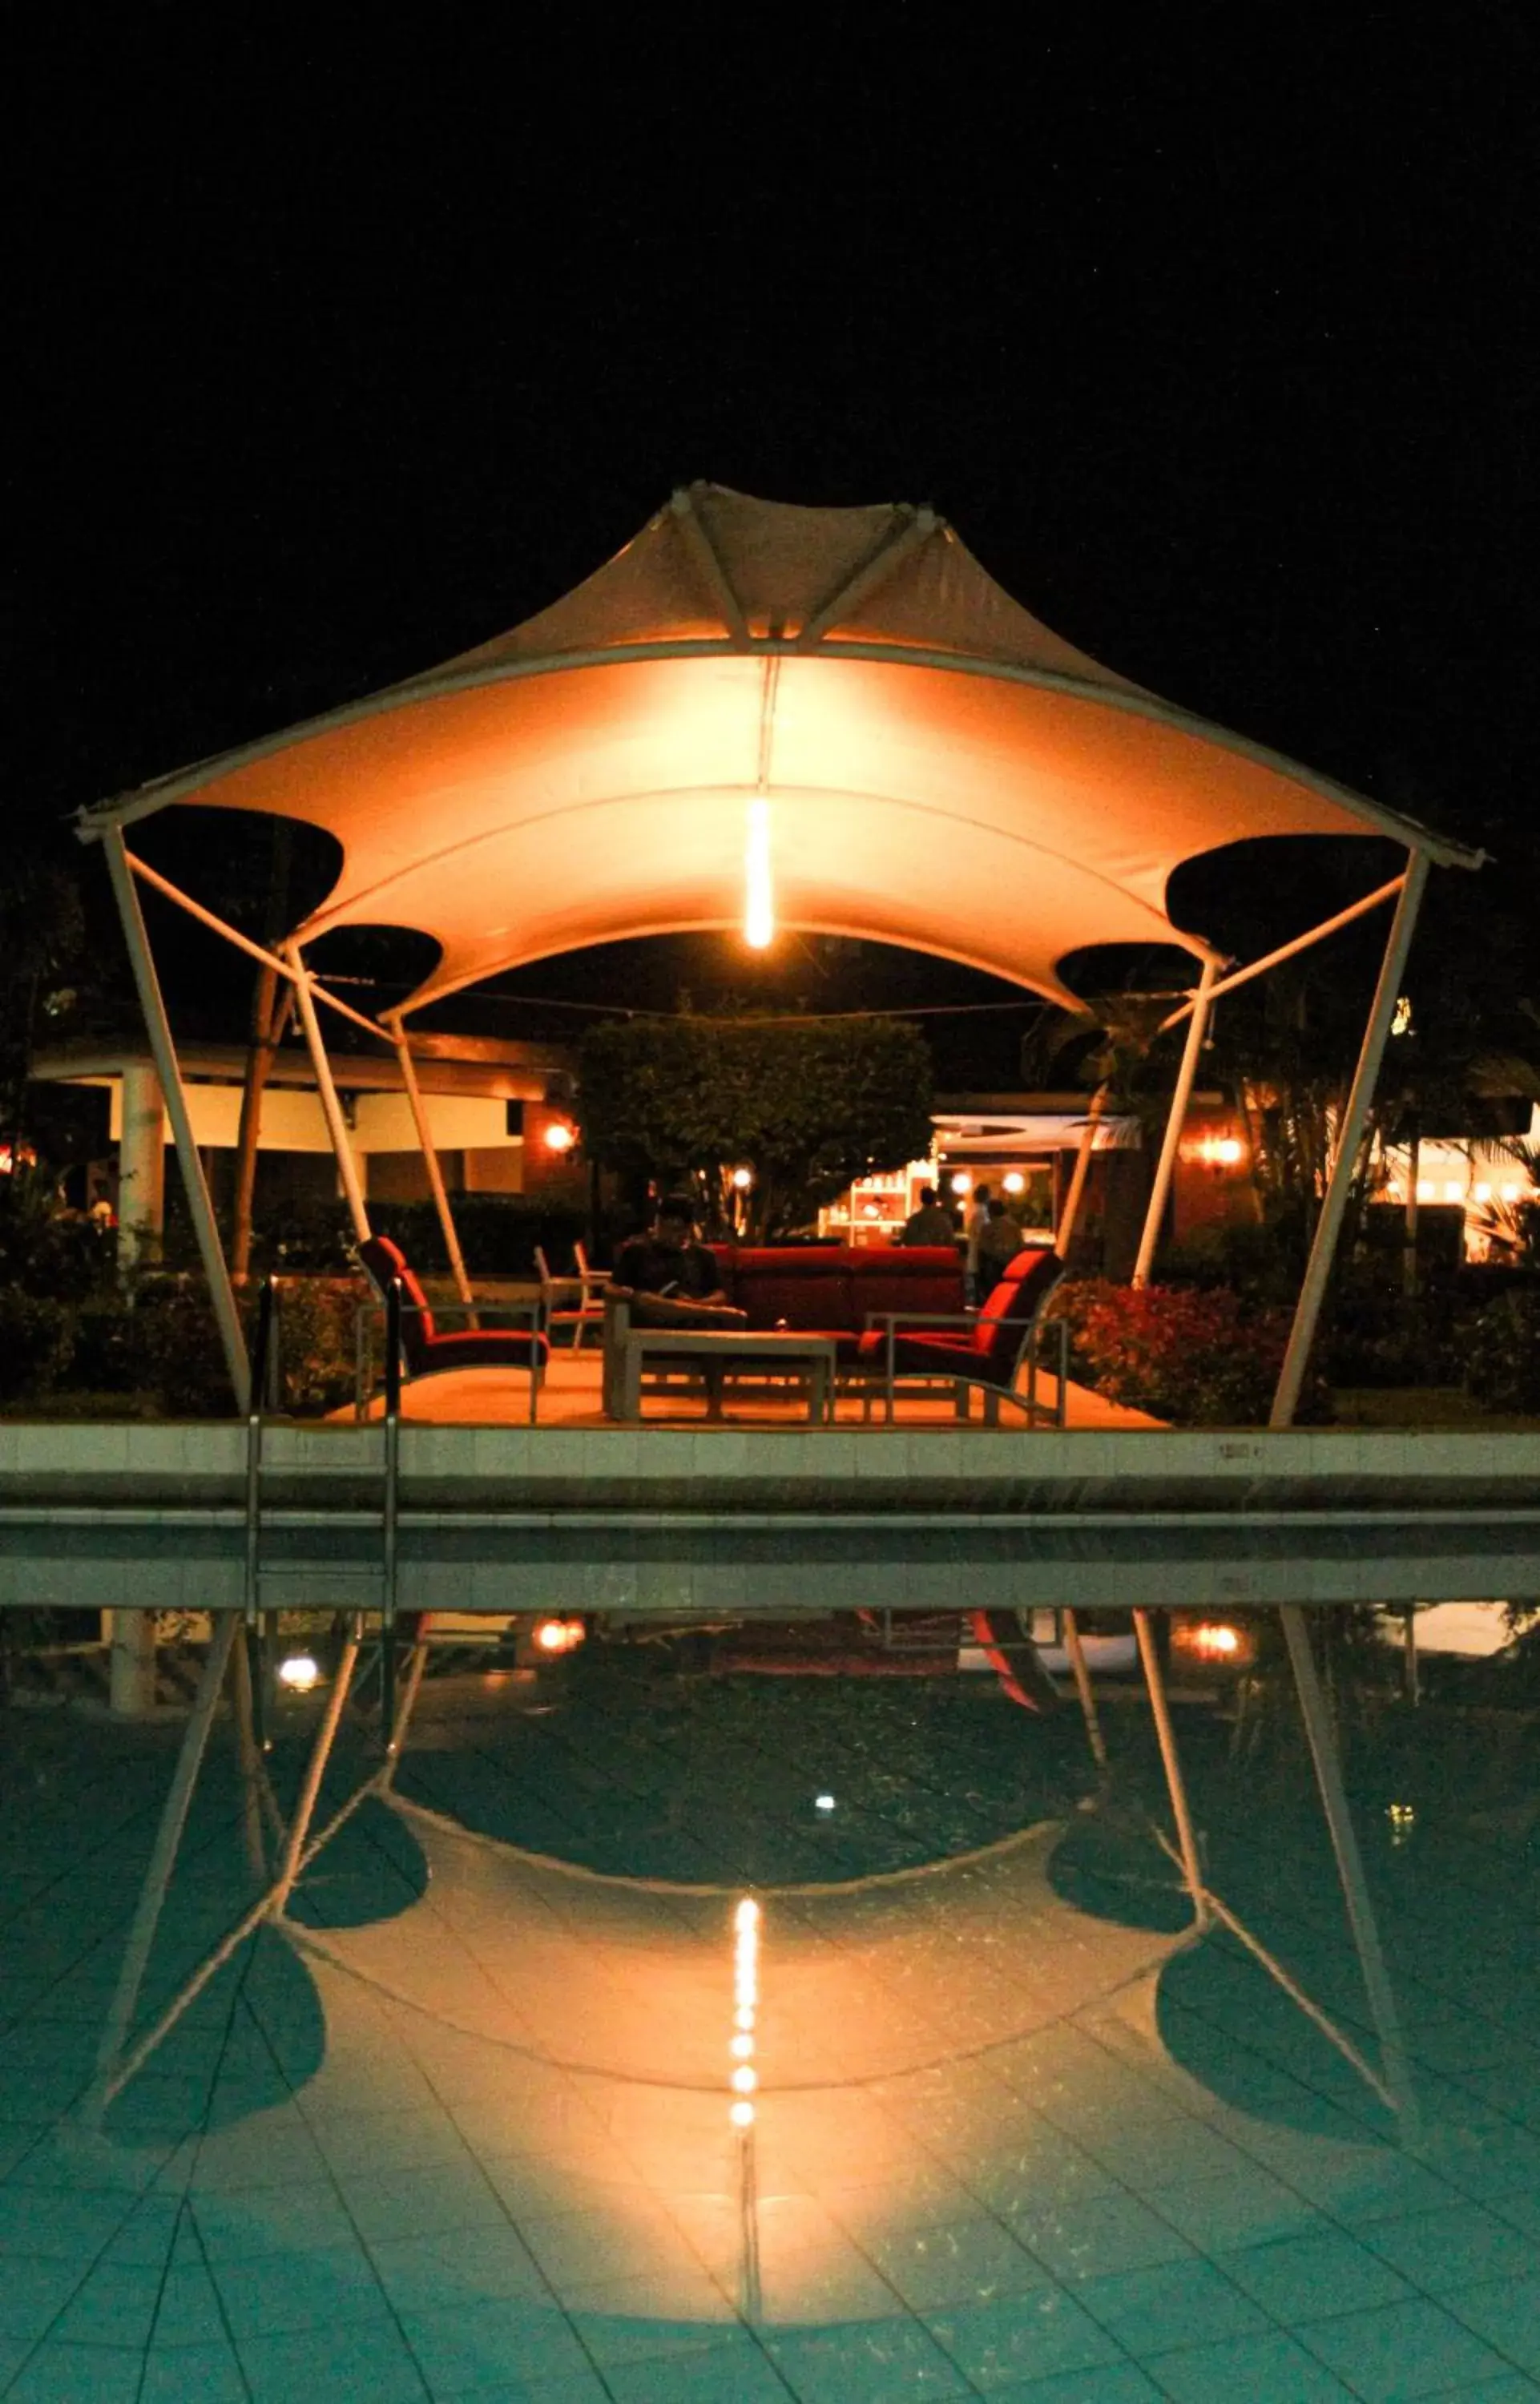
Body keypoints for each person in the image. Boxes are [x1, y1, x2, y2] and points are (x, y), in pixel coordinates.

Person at [611, 1194, 728, 1304]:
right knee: (647, 1298)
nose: (673, 1236)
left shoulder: (703, 1256)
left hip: (694, 1315)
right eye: (668, 1229)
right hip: (651, 1316)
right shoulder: (637, 1252)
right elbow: (612, 1288)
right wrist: (624, 1293)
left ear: (689, 1229)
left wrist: (694, 1305)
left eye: (679, 1230)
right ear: (658, 1224)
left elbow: (720, 1294)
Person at [976, 1197, 1025, 1295]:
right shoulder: (1014, 1225)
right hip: (1013, 1264)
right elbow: (1021, 1245)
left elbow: (983, 1249)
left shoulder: (988, 1228)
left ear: (991, 1212)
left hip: (995, 1266)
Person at [900, 1183, 957, 1247]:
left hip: (918, 1255)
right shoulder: (943, 1220)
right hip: (939, 1255)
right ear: (935, 1200)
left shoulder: (913, 1220)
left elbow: (906, 1241)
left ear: (921, 1200)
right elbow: (950, 1242)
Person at [963, 1180, 993, 1301]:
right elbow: (983, 1235)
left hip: (975, 1255)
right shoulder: (982, 1213)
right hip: (980, 1256)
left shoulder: (974, 1211)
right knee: (981, 1291)